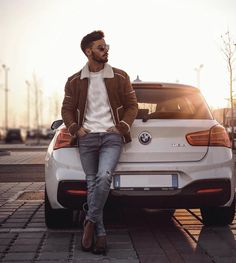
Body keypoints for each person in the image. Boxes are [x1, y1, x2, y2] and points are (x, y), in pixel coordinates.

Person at [61, 30, 138, 254]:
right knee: (92, 184)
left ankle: (89, 222)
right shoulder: (74, 81)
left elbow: (132, 105)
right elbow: (66, 109)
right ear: (89, 51)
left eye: (107, 47)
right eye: (101, 48)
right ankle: (100, 234)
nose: (106, 51)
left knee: (104, 177)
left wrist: (122, 127)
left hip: (111, 137)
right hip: (87, 137)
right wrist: (76, 129)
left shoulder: (120, 76)